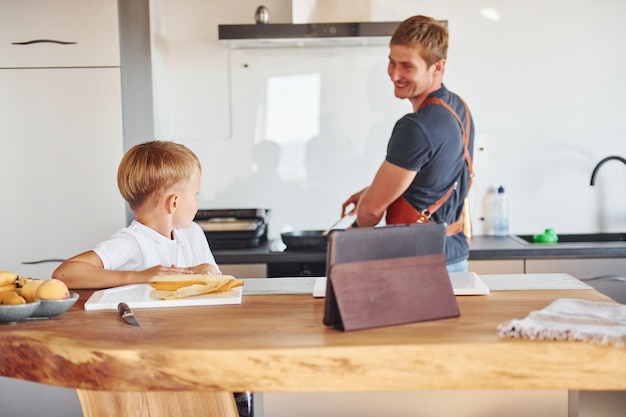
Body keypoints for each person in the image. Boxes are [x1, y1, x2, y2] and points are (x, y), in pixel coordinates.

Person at [341, 15, 475, 272]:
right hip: (454, 257)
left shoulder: (415, 126)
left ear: (437, 67)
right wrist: (374, 189)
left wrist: (353, 232)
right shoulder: (459, 108)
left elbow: (372, 209)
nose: (394, 74)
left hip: (417, 262)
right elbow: (434, 176)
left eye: (407, 66)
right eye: (391, 63)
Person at [53, 140, 221, 289]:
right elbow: (64, 274)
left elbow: (217, 279)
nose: (198, 201)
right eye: (195, 194)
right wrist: (141, 277)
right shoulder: (133, 241)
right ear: (174, 202)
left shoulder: (193, 233)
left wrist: (210, 271)